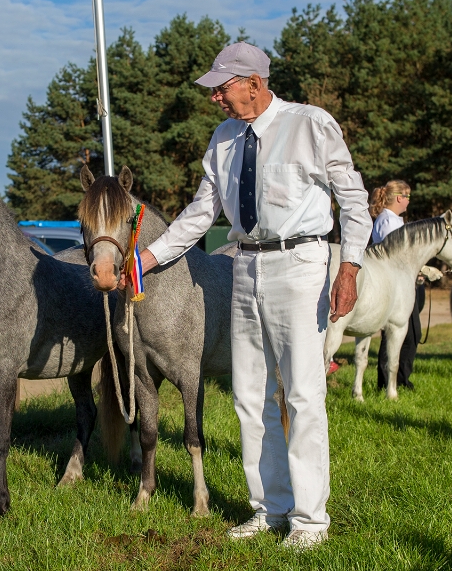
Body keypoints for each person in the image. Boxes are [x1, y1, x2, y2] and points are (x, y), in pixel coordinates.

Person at [135, 42, 371, 550]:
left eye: (222, 88)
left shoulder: (310, 123)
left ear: (253, 84)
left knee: (303, 393)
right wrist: (145, 260)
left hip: (302, 264)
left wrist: (348, 266)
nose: (216, 99)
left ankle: (310, 521)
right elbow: (201, 215)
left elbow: (354, 200)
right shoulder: (222, 139)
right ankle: (270, 509)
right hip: (244, 265)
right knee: (249, 395)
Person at [369, 180, 424, 391]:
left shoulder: (393, 220)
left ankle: (400, 378)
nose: (409, 201)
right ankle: (391, 381)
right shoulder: (388, 221)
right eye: (408, 196)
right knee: (400, 334)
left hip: (403, 282)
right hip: (396, 285)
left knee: (411, 334)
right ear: (400, 197)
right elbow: (393, 254)